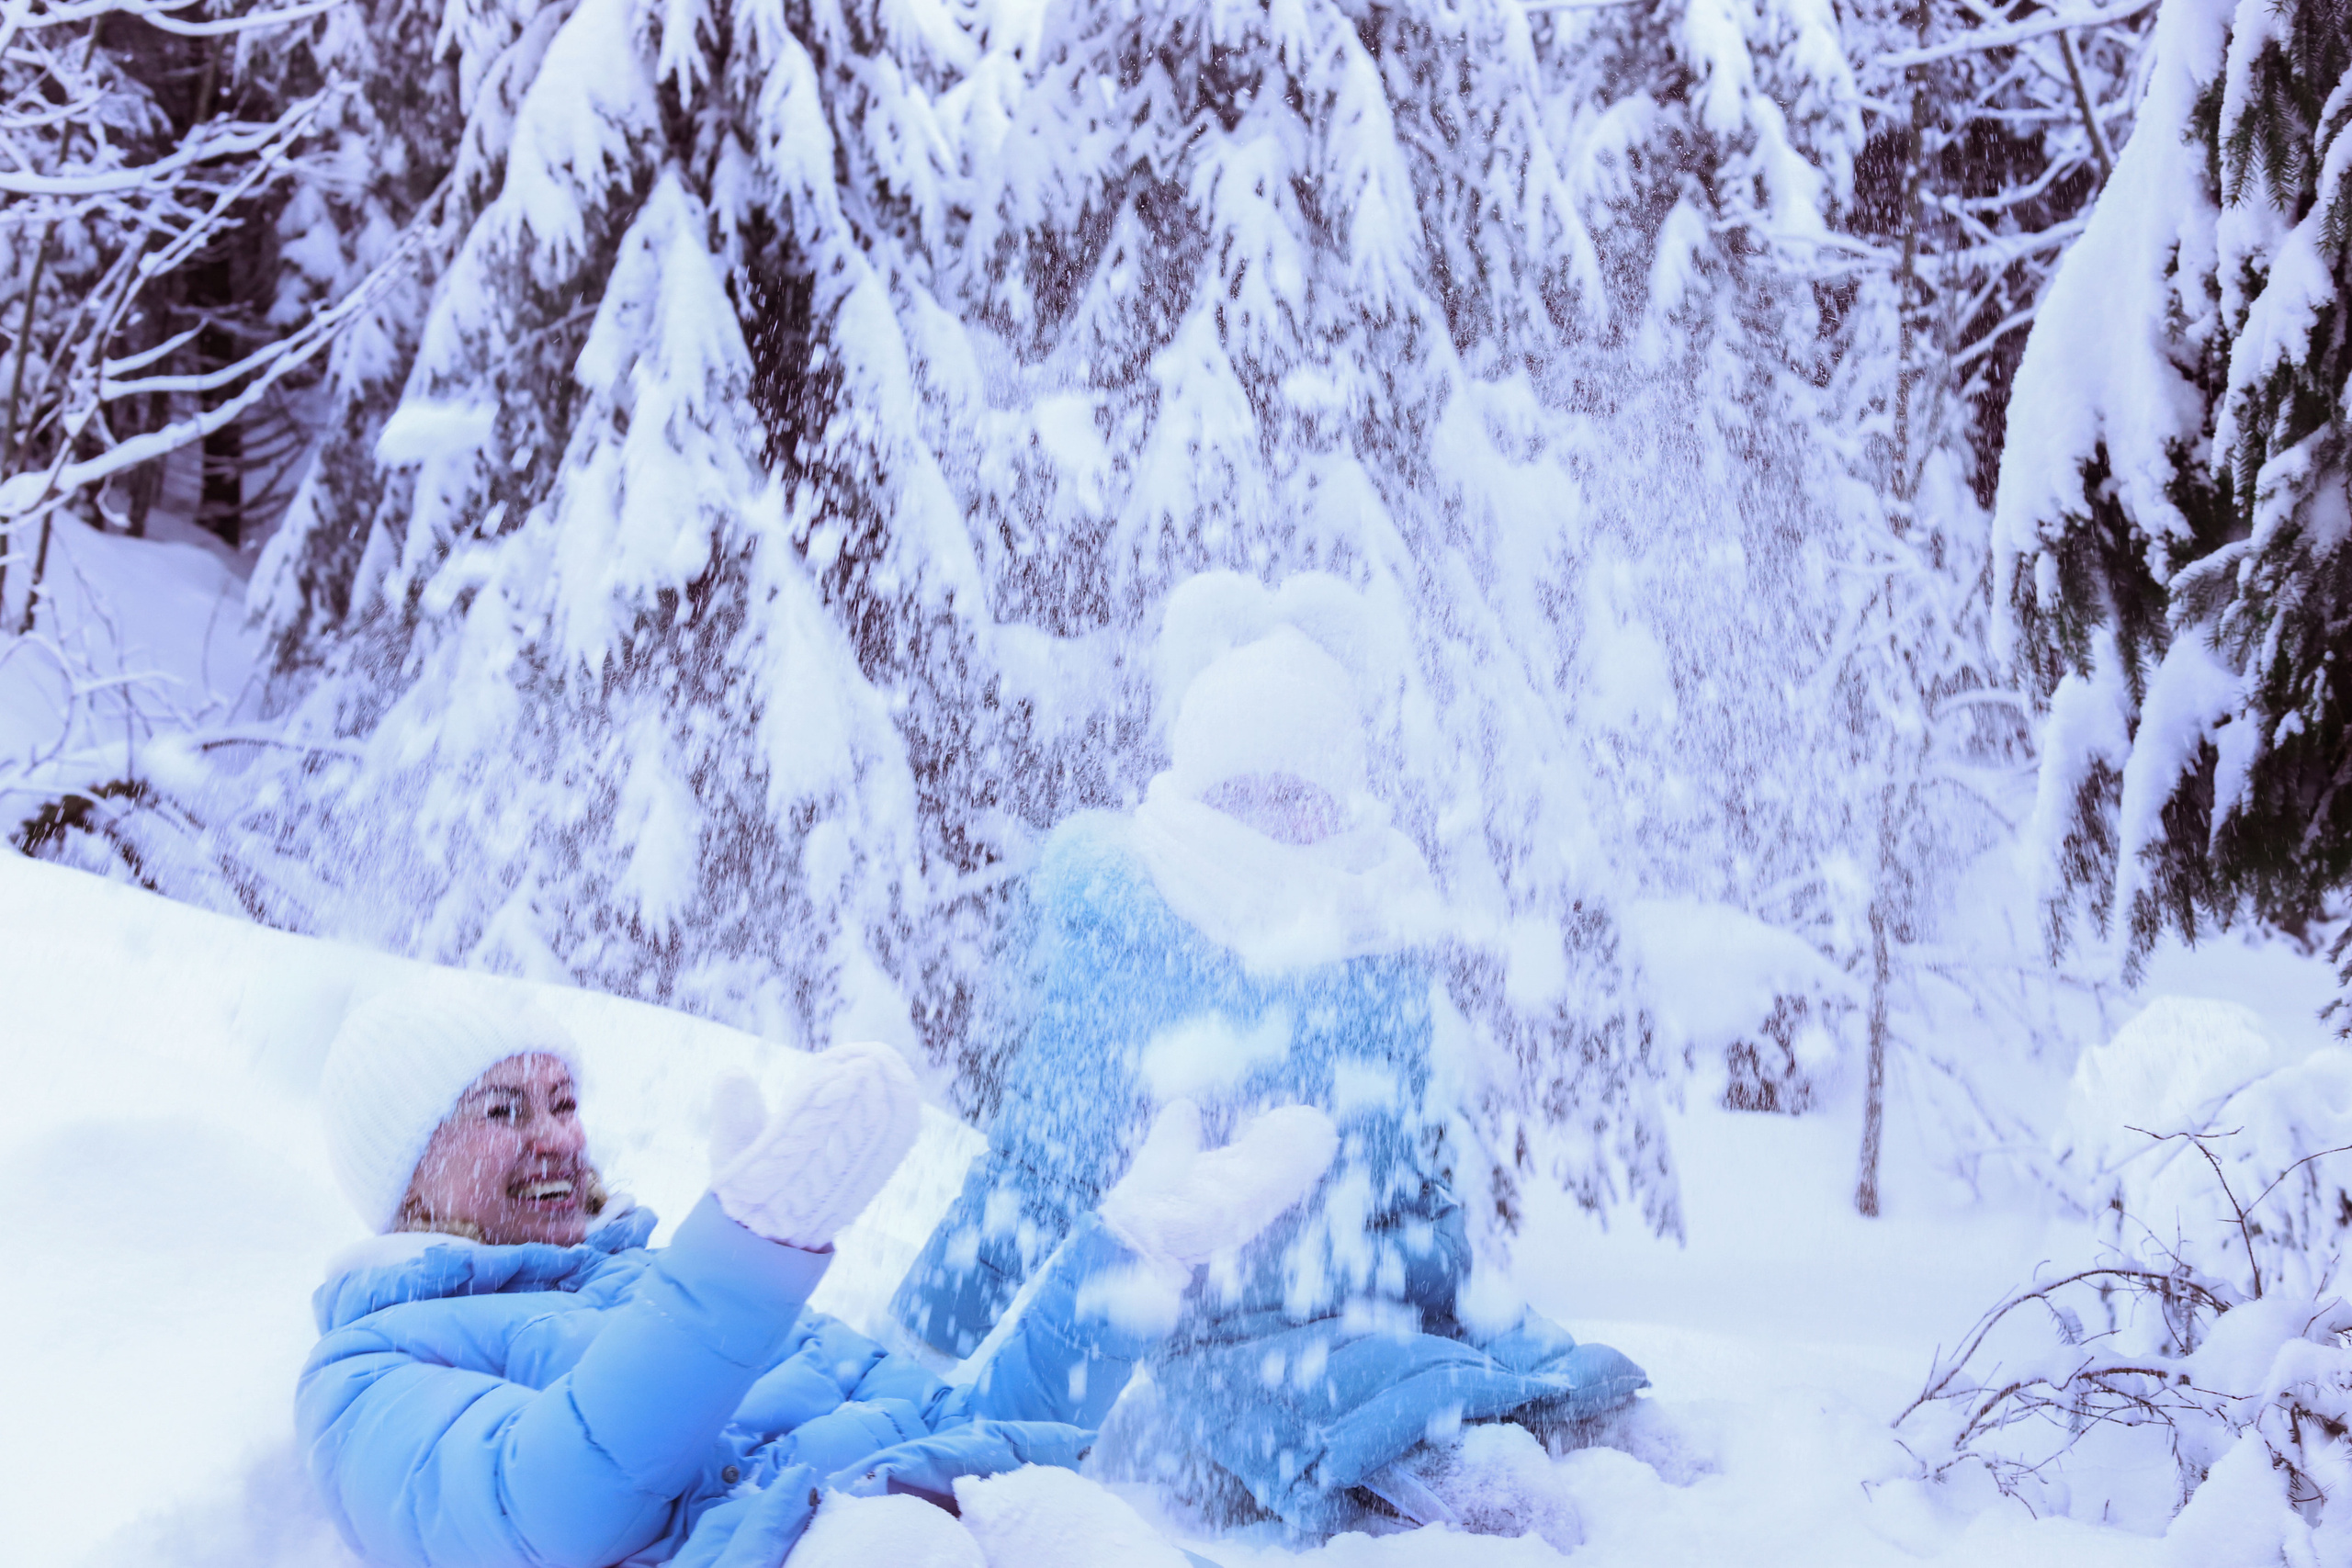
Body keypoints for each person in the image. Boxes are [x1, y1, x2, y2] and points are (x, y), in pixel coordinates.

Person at [888, 576, 1648, 1535]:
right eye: (1238, 792)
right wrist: (914, 1352)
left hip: (1373, 1296)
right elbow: (1032, 1177)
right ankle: (1454, 1472)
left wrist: (1465, 1292)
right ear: (1198, 788)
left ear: (1336, 803)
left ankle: (1535, 1423)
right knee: (1370, 1419)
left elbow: (1408, 1174)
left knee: (1541, 1380)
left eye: (1293, 794)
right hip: (1220, 1342)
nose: (1265, 819)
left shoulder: (1366, 932)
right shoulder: (1136, 937)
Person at [298, 984, 1337, 1568]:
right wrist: (745, 1254)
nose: (555, 1138)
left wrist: (1126, 1269)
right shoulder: (372, 1365)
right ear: (407, 1168)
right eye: (500, 1111)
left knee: (1072, 1526)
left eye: (562, 1102)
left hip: (945, 1517)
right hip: (834, 1551)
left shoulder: (682, 1280)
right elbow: (545, 1514)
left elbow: (973, 1431)